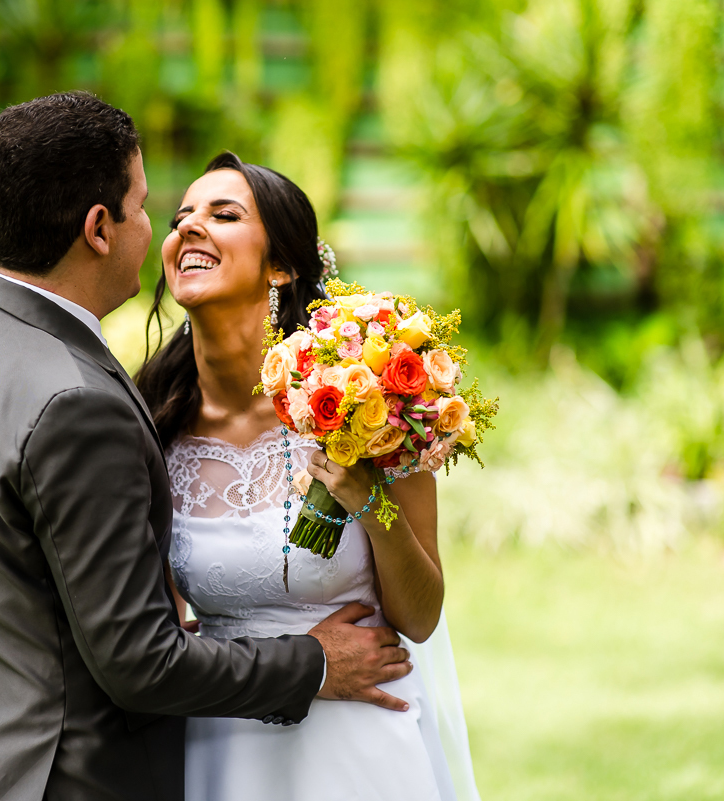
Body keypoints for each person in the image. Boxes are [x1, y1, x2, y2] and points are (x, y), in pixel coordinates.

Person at [0, 92, 415, 801]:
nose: (164, 231)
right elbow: (138, 662)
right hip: (70, 779)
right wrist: (314, 662)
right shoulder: (80, 401)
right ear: (99, 228)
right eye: (147, 210)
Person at [136, 152, 483, 801]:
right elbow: (154, 630)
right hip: (221, 744)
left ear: (282, 266)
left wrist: (369, 498)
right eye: (181, 216)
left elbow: (421, 614)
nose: (188, 228)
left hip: (361, 749)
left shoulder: (362, 400)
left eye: (224, 214)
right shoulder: (151, 423)